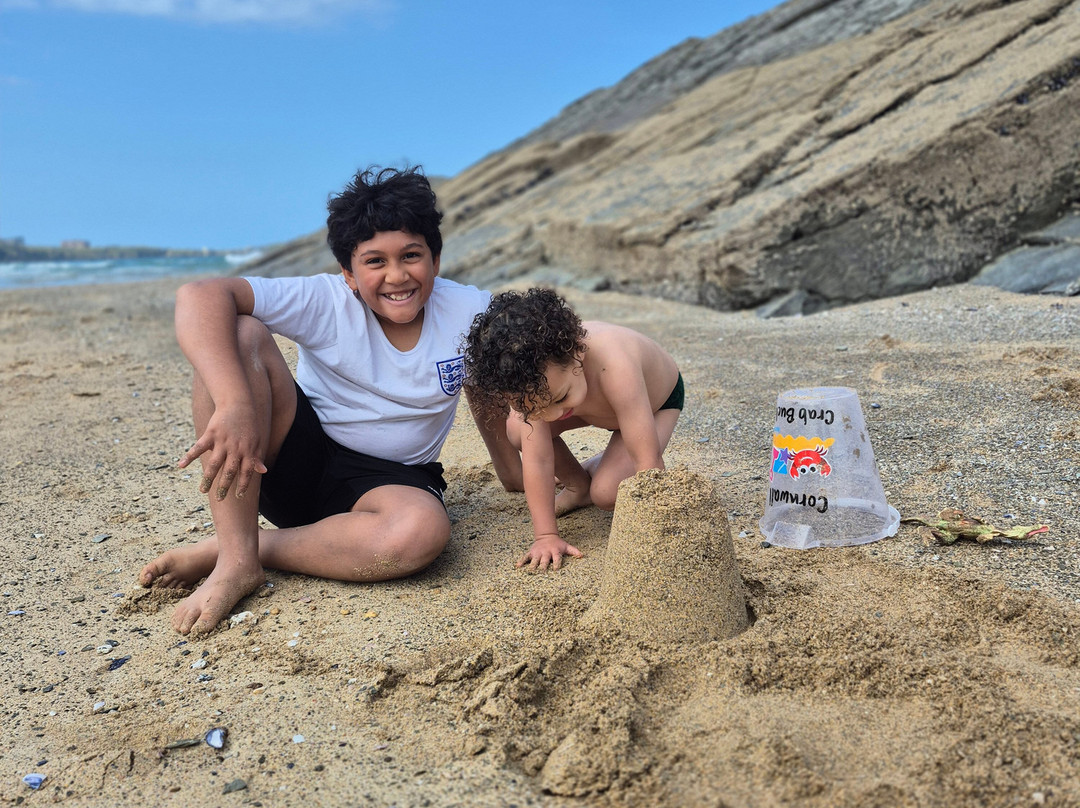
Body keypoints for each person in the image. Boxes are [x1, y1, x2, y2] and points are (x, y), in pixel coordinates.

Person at [139, 166, 494, 635]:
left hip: (392, 483)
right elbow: (200, 295)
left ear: (436, 258)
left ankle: (253, 548)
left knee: (421, 533)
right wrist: (235, 404)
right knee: (241, 332)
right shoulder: (326, 300)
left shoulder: (470, 311)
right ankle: (236, 560)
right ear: (348, 272)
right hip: (293, 458)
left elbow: (514, 382)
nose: (396, 275)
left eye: (412, 255)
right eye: (374, 262)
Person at [462, 288, 683, 571]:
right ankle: (578, 485)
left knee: (607, 493)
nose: (552, 415)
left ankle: (600, 470)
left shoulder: (615, 367)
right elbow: (538, 459)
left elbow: (648, 463)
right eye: (535, 407)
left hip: (654, 404)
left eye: (560, 398)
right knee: (520, 428)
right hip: (592, 405)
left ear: (577, 353)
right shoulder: (532, 384)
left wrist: (657, 526)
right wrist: (546, 535)